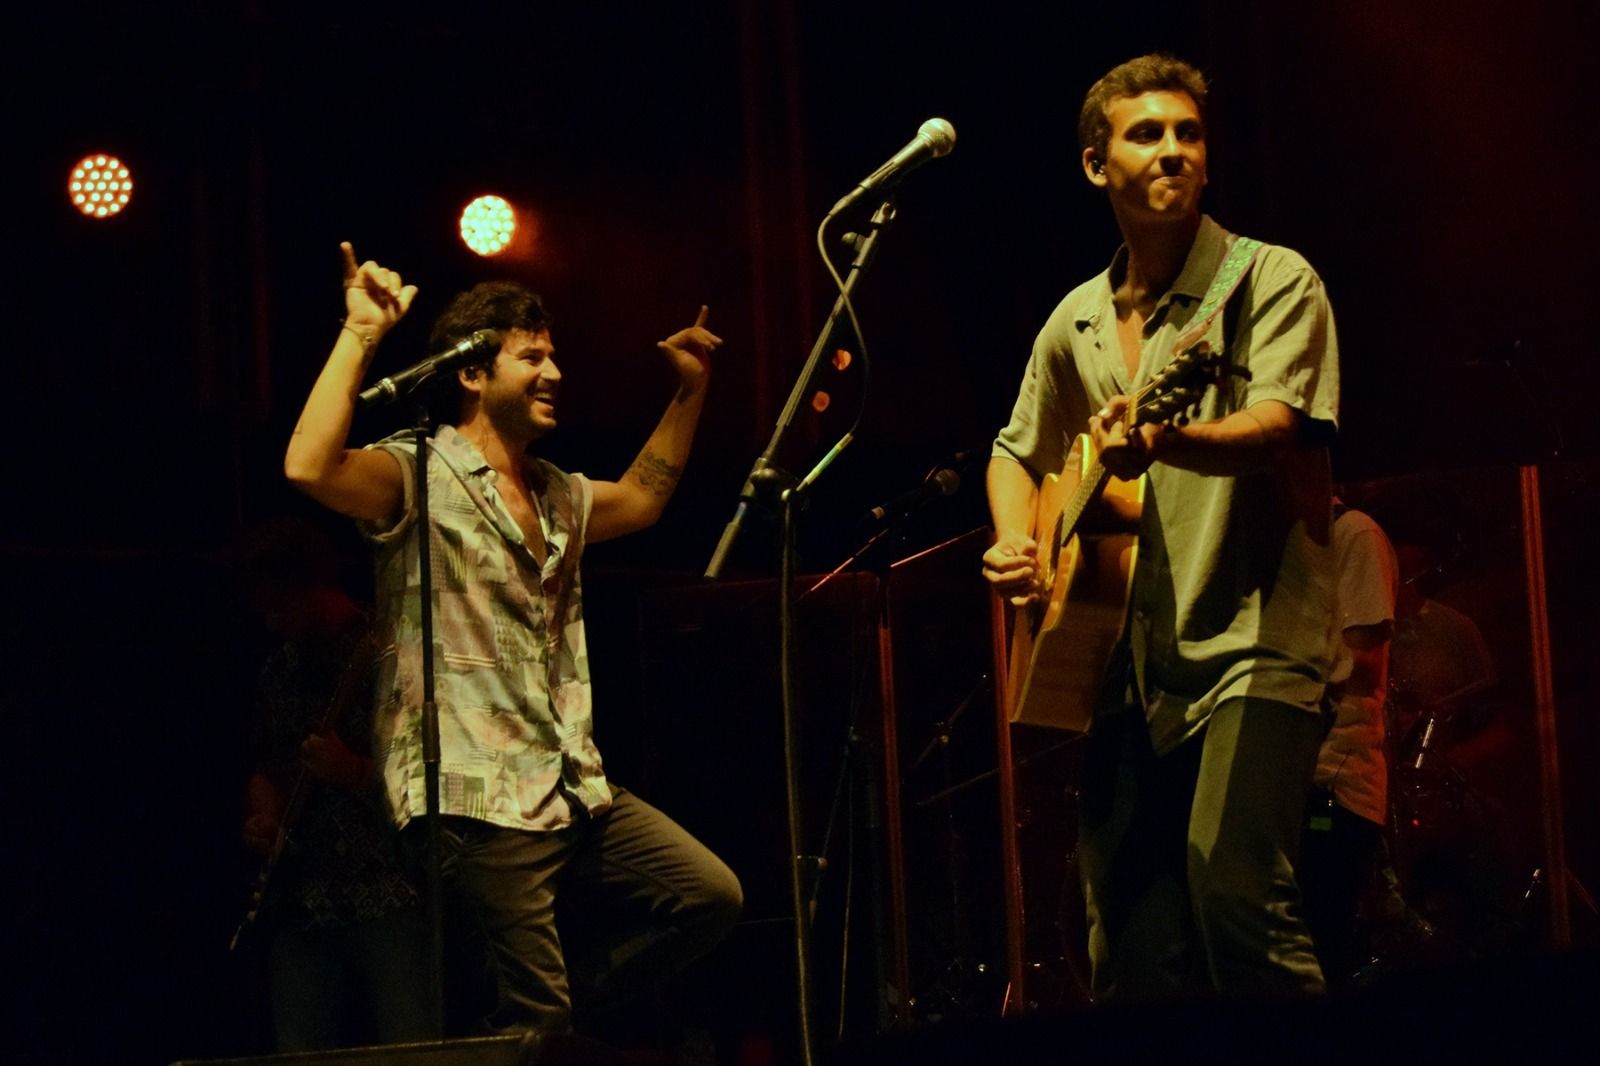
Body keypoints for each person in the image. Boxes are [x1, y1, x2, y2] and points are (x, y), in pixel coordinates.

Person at [283, 242, 742, 1038]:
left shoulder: (559, 492)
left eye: (553, 355)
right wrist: (360, 335)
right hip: (472, 796)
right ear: (472, 373)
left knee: (708, 897)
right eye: (531, 356)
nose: (555, 372)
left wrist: (689, 393)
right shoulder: (417, 473)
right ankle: (534, 1026)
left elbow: (638, 501)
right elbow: (308, 467)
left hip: (568, 786)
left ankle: (530, 1028)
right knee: (540, 1014)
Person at [983, 54, 1340, 999]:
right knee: (1128, 948)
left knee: (1235, 892)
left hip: (1254, 640)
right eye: (1148, 133)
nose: (1174, 150)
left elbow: (1278, 425)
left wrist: (1165, 441)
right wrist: (1019, 540)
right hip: (1129, 663)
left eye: (1189, 134)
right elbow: (1015, 452)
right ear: (1098, 165)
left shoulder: (1270, 278)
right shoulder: (1080, 320)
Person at [235, 515, 432, 1051]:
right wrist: (265, 812)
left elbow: (428, 775)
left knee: (409, 1050)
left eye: (280, 605)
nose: (272, 621)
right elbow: (266, 760)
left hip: (386, 893)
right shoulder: (280, 666)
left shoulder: (385, 654)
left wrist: (353, 771)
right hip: (301, 900)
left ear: (315, 587)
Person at [1296, 501, 1399, 986]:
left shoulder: (1355, 534)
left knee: (1322, 951)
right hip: (1294, 784)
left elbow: (1366, 668)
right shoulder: (1278, 538)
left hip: (1336, 788)